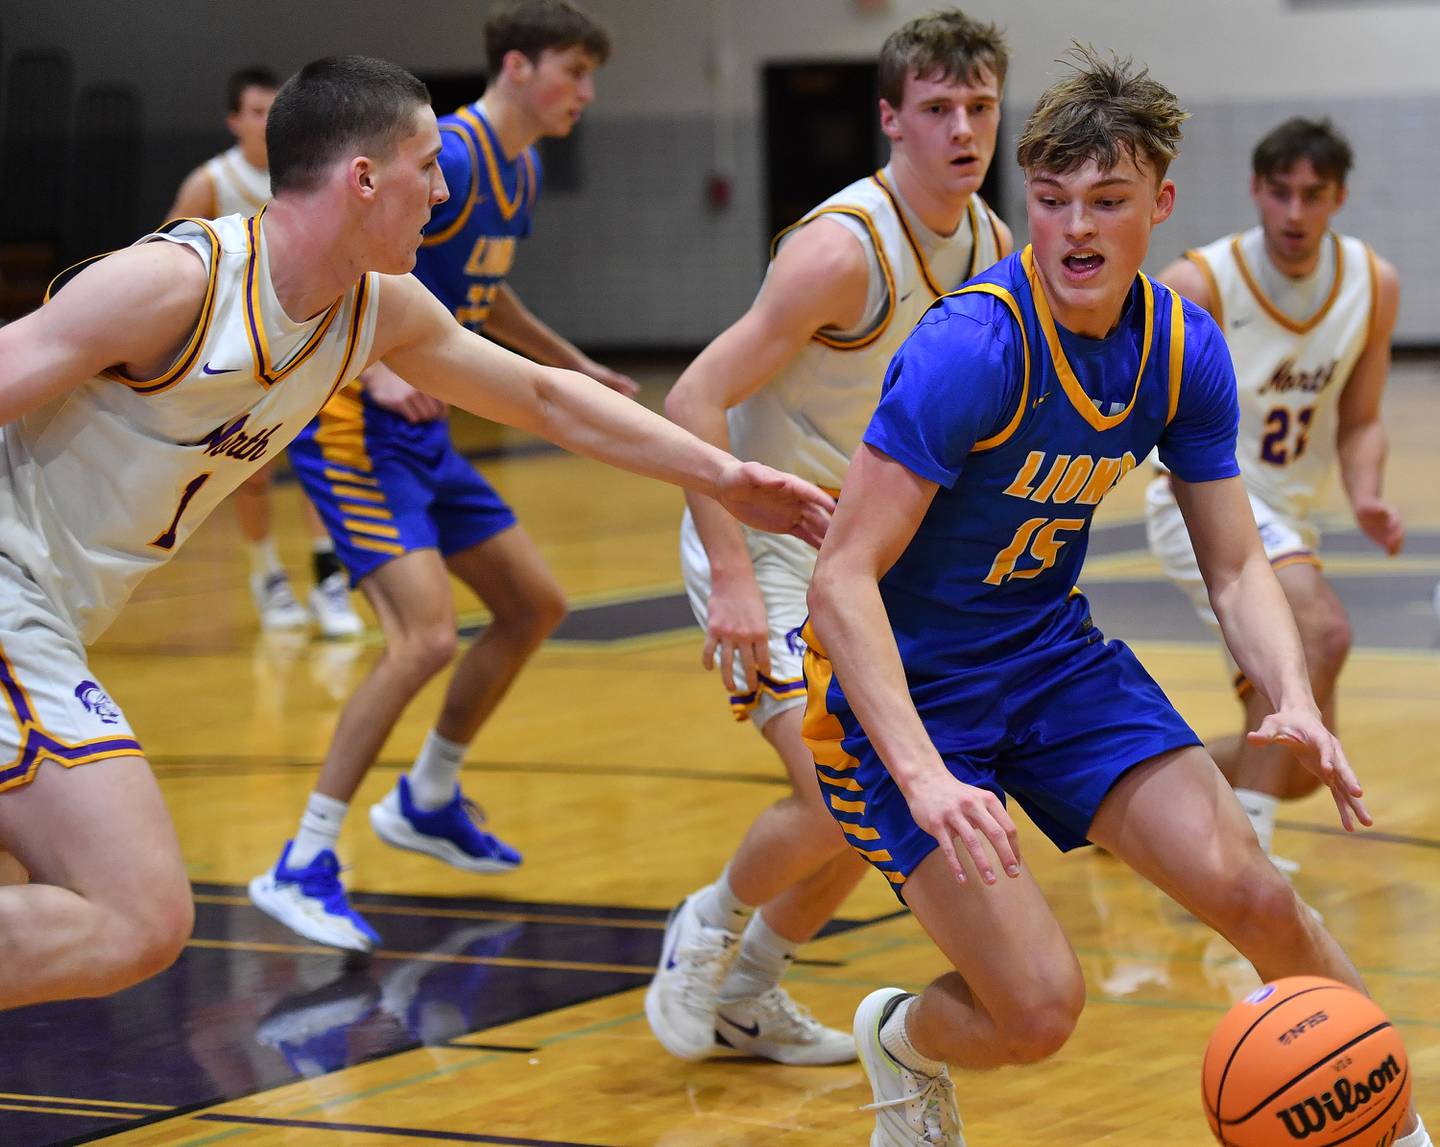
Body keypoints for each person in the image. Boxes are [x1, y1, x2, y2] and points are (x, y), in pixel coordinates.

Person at [0, 54, 832, 1012]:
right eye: (428, 167)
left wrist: (722, 473)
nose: (443, 190)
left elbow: (544, 398)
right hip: (14, 595)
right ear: (363, 179)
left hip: (62, 611)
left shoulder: (374, 307)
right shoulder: (173, 286)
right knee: (136, 914)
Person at [801, 49, 1428, 1147]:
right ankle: (900, 1033)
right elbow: (842, 577)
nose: (1075, 229)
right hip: (906, 694)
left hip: (1052, 662)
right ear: (1027, 205)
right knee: (1039, 1010)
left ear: (1161, 205)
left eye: (1106, 201)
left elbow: (1236, 559)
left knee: (1262, 898)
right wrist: (926, 775)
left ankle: (1399, 1131)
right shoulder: (971, 352)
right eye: (1050, 202)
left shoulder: (1183, 348)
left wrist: (1289, 694)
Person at [647, 9, 1011, 1068]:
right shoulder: (840, 250)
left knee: (886, 795)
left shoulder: (993, 245)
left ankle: (750, 993)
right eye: (937, 108)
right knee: (833, 781)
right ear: (890, 119)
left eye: (979, 107)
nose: (962, 128)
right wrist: (730, 573)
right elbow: (693, 396)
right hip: (770, 531)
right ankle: (706, 924)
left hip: (871, 549)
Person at [248, 2, 646, 955]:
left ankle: (428, 793)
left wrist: (570, 364)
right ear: (517, 65)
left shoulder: (522, 168)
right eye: (574, 72)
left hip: (421, 432)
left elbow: (483, 289)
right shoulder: (452, 155)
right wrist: (380, 364)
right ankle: (301, 859)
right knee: (423, 635)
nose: (585, 93)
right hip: (354, 423)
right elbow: (347, 256)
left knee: (533, 602)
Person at [1145, 118, 1401, 871]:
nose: (1294, 213)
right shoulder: (1203, 281)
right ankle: (1247, 851)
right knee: (1319, 631)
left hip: (1285, 515)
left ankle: (1129, 800)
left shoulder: (1372, 283)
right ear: (1256, 190)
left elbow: (1360, 420)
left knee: (1293, 768)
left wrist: (1366, 494)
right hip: (1197, 497)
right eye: (1280, 193)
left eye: (1312, 195)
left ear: (1339, 198)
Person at [167, 66, 364, 639]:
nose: (265, 120)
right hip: (235, 354)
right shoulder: (210, 181)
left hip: (308, 342)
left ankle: (328, 575)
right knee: (250, 474)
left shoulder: (310, 176)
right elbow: (169, 262)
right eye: (255, 111)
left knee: (322, 463)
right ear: (235, 120)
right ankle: (266, 574)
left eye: (273, 109)